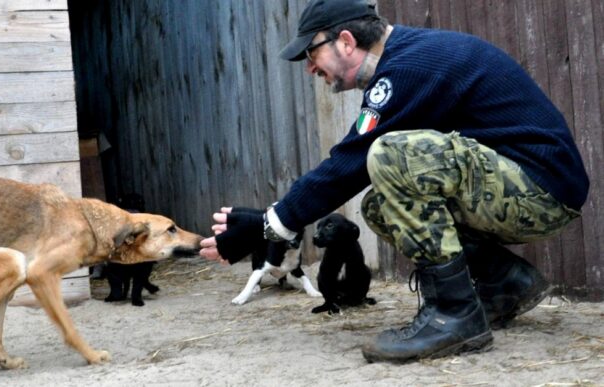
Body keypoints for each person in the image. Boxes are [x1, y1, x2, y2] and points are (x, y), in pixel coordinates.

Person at [200, 0, 590, 363]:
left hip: (541, 190)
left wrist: (269, 225)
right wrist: (276, 222)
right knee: (381, 206)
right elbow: (353, 165)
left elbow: (350, 163)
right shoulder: (406, 60)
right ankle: (505, 283)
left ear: (346, 41)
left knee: (390, 153)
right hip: (523, 186)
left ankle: (453, 318)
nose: (310, 68)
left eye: (311, 54)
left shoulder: (408, 67)